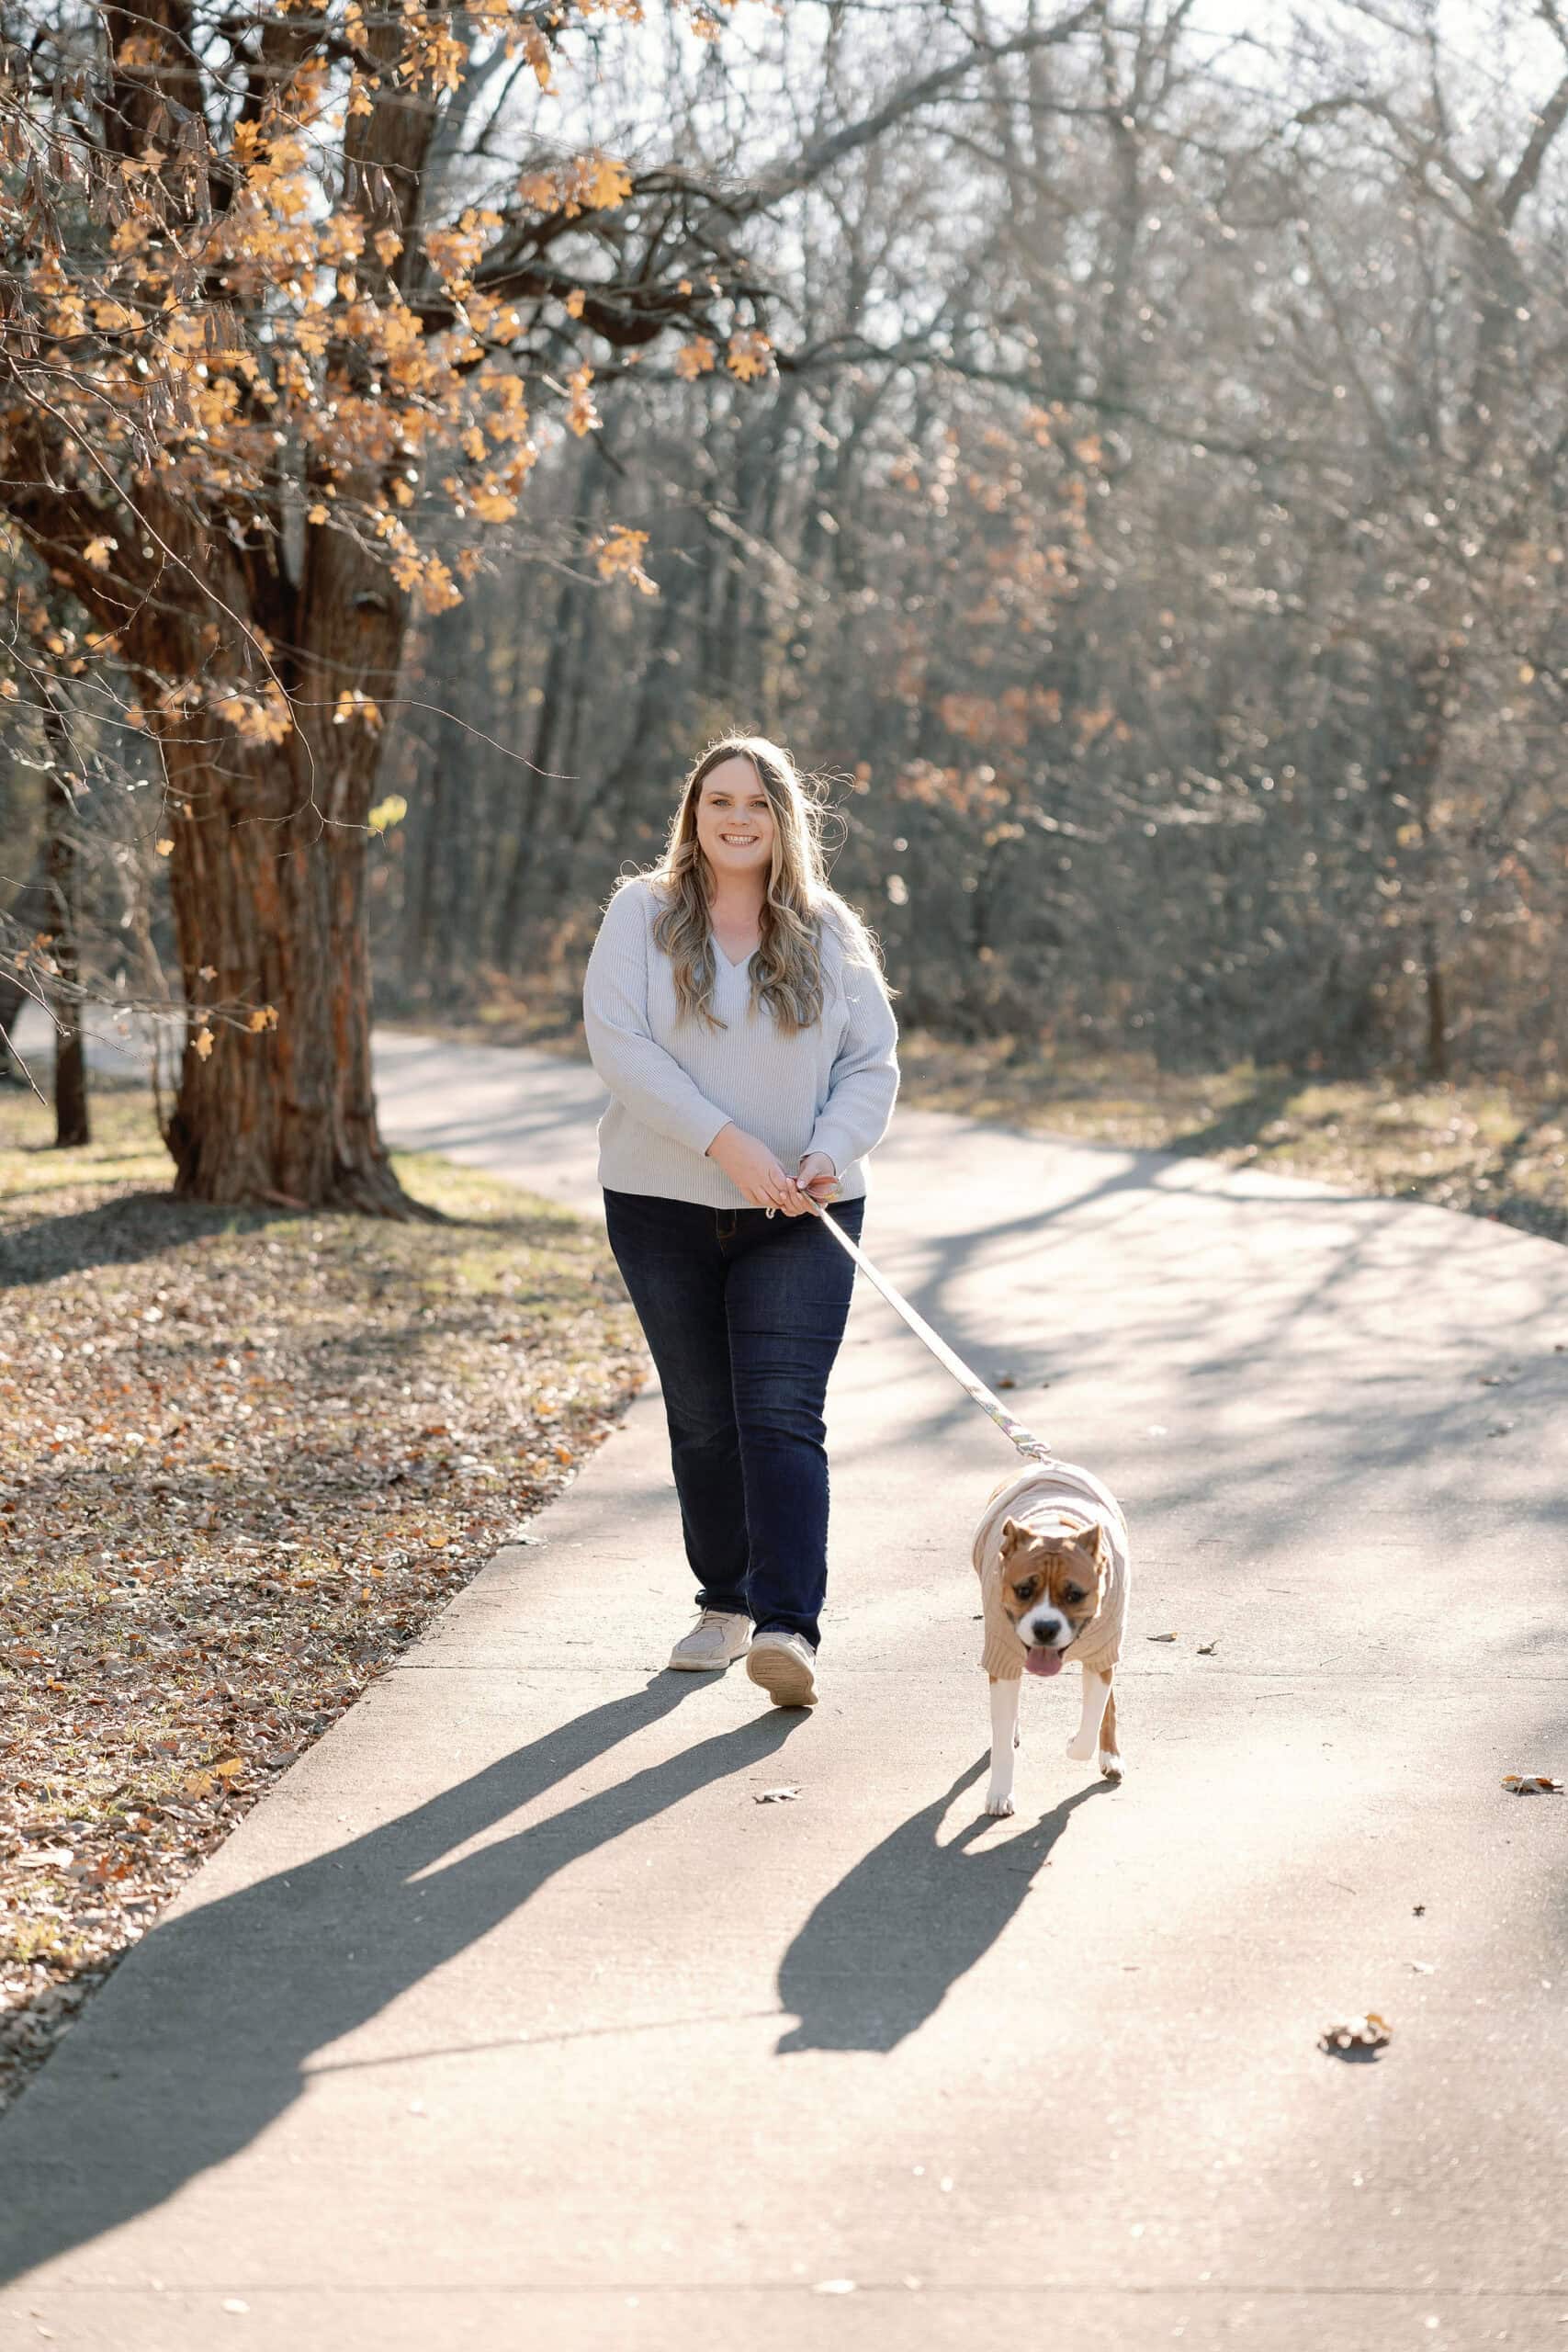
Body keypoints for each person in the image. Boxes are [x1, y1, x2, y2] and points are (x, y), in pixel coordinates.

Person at [581, 733, 900, 1710]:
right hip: (661, 1206)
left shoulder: (828, 926)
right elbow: (621, 1047)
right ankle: (723, 1605)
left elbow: (871, 1064)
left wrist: (825, 1154)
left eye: (756, 803)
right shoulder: (641, 914)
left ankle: (786, 1627)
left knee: (779, 1413)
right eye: (718, 799)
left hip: (801, 1213)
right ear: (693, 812)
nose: (735, 817)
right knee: (705, 1418)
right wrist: (729, 1144)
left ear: (782, 818)